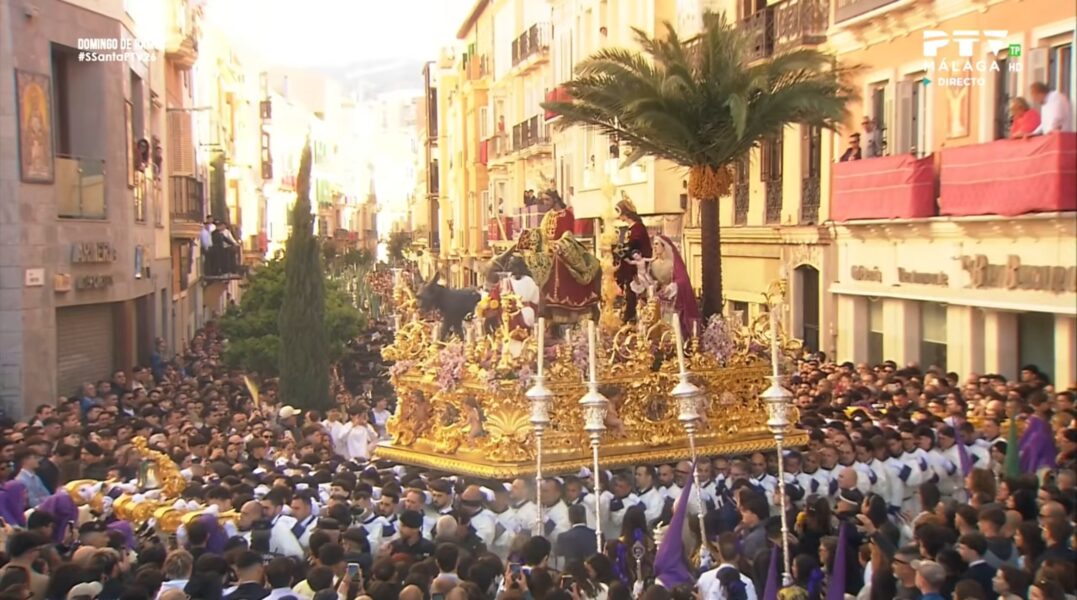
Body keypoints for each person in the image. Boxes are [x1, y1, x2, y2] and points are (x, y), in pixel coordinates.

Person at [613, 197, 652, 324]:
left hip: (636, 271)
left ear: (625, 213)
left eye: (619, 213)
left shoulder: (638, 228)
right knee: (629, 294)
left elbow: (633, 246)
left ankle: (632, 318)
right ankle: (629, 317)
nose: (619, 217)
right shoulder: (630, 229)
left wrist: (621, 251)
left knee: (634, 294)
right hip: (629, 269)